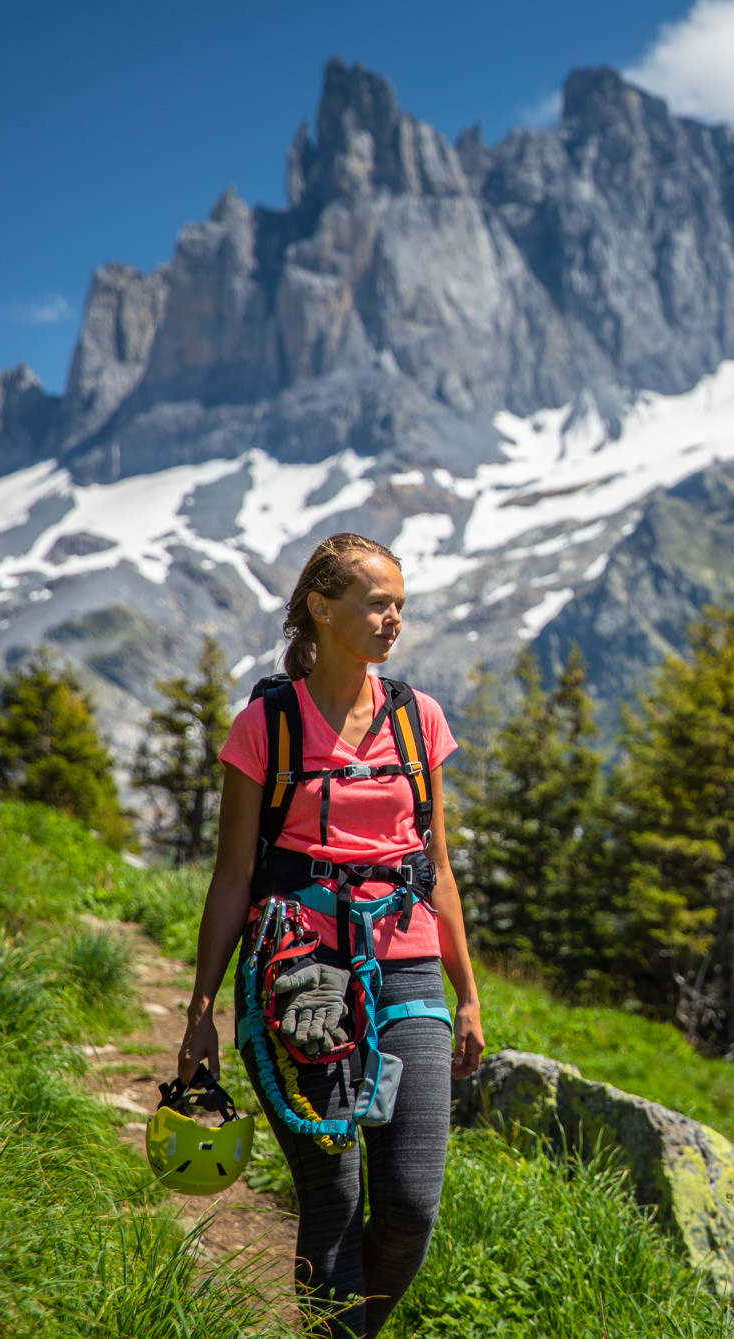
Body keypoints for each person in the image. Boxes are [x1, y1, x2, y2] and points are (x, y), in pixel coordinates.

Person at [177, 532, 486, 1337]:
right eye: (378, 603)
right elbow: (233, 877)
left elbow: (440, 866)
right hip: (298, 975)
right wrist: (201, 1008)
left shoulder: (420, 720)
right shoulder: (267, 725)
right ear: (322, 607)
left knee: (413, 1205)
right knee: (336, 1196)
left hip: (409, 965)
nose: (394, 621)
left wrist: (470, 994)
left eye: (400, 607)